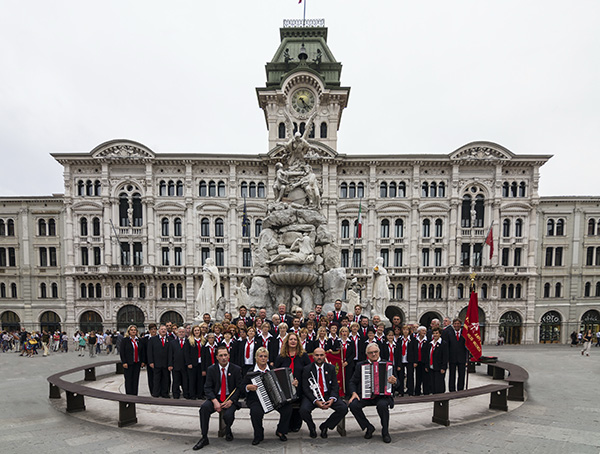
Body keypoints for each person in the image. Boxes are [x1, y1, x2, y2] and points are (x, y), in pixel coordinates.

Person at [194, 345, 243, 450]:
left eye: (225, 355)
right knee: (204, 409)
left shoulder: (236, 369)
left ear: (229, 355)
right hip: (216, 397)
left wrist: (231, 401)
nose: (223, 357)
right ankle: (204, 437)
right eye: (221, 355)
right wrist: (214, 401)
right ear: (217, 357)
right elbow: (207, 387)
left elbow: (239, 388)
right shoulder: (211, 369)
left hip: (229, 398)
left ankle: (228, 429)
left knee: (228, 415)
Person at [348, 343, 398, 443]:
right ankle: (368, 427)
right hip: (366, 395)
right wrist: (354, 393)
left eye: (375, 352)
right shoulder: (361, 365)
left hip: (382, 396)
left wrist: (395, 382)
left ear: (379, 352)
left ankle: (385, 432)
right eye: (371, 353)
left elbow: (398, 383)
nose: (374, 354)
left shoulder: (388, 364)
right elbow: (353, 381)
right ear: (367, 354)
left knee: (382, 405)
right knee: (353, 405)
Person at [242, 347, 292, 445]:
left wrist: (292, 383)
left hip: (275, 399)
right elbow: (241, 386)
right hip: (256, 400)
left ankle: (280, 430)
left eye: (265, 356)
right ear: (256, 358)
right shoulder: (251, 371)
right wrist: (248, 387)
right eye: (261, 356)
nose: (263, 358)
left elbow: (284, 382)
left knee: (288, 408)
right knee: (255, 412)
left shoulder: (273, 370)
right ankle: (258, 434)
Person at [300, 347, 349, 438]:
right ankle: (311, 427)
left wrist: (332, 399)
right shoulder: (307, 369)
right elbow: (305, 388)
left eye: (321, 355)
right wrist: (316, 401)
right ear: (313, 357)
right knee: (303, 410)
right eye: (317, 355)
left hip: (327, 394)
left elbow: (335, 386)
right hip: (313, 395)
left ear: (325, 356)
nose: (319, 357)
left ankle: (325, 426)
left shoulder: (331, 368)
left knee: (343, 408)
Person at [275, 332, 310, 432]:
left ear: (298, 342)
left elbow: (308, 371)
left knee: (298, 405)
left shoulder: (303, 356)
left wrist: (299, 382)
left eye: (295, 339)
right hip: (284, 389)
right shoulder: (281, 357)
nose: (293, 341)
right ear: (287, 341)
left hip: (300, 388)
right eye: (291, 339)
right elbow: (276, 372)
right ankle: (284, 426)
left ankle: (296, 423)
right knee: (287, 405)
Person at [444, 318, 467, 392]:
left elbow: (467, 347)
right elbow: (446, 346)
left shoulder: (465, 333)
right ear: (453, 324)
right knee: (452, 375)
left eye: (458, 324)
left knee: (462, 375)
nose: (456, 325)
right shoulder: (448, 332)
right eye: (455, 324)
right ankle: (452, 389)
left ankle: (460, 389)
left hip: (462, 357)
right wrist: (446, 358)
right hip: (452, 357)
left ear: (461, 324)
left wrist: (467, 358)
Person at [147, 324, 171, 398]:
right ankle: (156, 393)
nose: (163, 330)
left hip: (166, 364)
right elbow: (149, 352)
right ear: (159, 331)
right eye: (162, 329)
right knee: (156, 379)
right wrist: (151, 362)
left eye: (164, 329)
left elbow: (171, 353)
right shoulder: (153, 339)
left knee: (166, 379)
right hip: (156, 363)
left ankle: (165, 393)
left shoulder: (170, 340)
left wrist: (170, 364)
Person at [120, 325, 144, 395]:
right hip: (128, 363)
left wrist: (142, 361)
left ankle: (135, 394)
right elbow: (122, 352)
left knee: (135, 379)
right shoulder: (125, 340)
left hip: (137, 363)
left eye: (134, 330)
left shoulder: (139, 340)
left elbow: (142, 351)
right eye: (132, 330)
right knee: (128, 379)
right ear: (129, 331)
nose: (133, 331)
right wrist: (124, 362)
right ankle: (129, 394)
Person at [168, 327, 189, 399]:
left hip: (185, 365)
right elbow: (170, 354)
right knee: (176, 381)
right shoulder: (173, 343)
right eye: (180, 332)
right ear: (177, 333)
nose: (181, 333)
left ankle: (186, 393)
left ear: (185, 333)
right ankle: (176, 394)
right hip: (175, 365)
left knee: (185, 381)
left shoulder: (188, 342)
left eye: (183, 332)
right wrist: (170, 364)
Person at [184, 325, 205, 400]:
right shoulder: (189, 340)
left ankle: (200, 394)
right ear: (193, 332)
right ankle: (192, 394)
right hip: (192, 363)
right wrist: (188, 363)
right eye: (195, 330)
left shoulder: (203, 341)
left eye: (198, 330)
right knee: (192, 379)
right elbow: (186, 353)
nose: (197, 332)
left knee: (200, 380)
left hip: (201, 363)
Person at [409, 326, 430, 396]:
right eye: (422, 331)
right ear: (419, 332)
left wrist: (427, 364)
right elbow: (413, 351)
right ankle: (417, 391)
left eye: (425, 331)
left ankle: (426, 391)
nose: (424, 332)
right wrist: (414, 361)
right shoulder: (415, 340)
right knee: (418, 377)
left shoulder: (428, 341)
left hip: (424, 362)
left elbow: (428, 354)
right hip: (417, 362)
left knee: (425, 378)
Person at [427, 327, 448, 394]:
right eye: (434, 333)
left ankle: (440, 396)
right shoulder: (430, 343)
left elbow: (445, 357)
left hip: (439, 367)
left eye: (437, 333)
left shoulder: (443, 344)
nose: (435, 335)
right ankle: (434, 394)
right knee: (432, 382)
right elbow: (428, 355)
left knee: (439, 382)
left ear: (440, 334)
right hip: (431, 366)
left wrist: (443, 367)